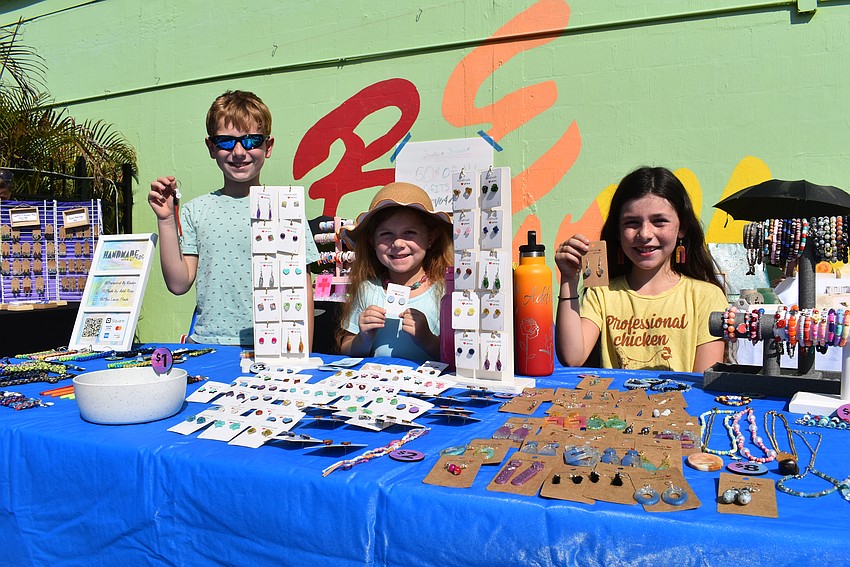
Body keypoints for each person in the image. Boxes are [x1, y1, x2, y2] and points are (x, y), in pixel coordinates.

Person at [148, 90, 319, 346]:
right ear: (211, 147)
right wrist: (165, 220)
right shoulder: (197, 210)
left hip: (270, 349)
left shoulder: (285, 209)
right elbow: (179, 283)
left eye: (251, 141)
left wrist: (300, 351)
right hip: (206, 345)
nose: (239, 152)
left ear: (268, 146)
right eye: (226, 142)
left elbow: (302, 289)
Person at [555, 166, 727, 373]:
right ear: (617, 231)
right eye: (632, 223)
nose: (645, 234)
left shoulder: (706, 297)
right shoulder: (601, 292)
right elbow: (573, 358)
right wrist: (568, 279)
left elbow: (702, 383)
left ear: (682, 228)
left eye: (659, 221)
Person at [337, 182, 453, 362]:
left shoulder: (446, 292)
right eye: (386, 234)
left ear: (430, 237)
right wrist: (364, 338)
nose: (398, 243)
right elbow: (347, 348)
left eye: (409, 232)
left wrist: (427, 339)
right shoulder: (367, 289)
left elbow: (458, 357)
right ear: (371, 240)